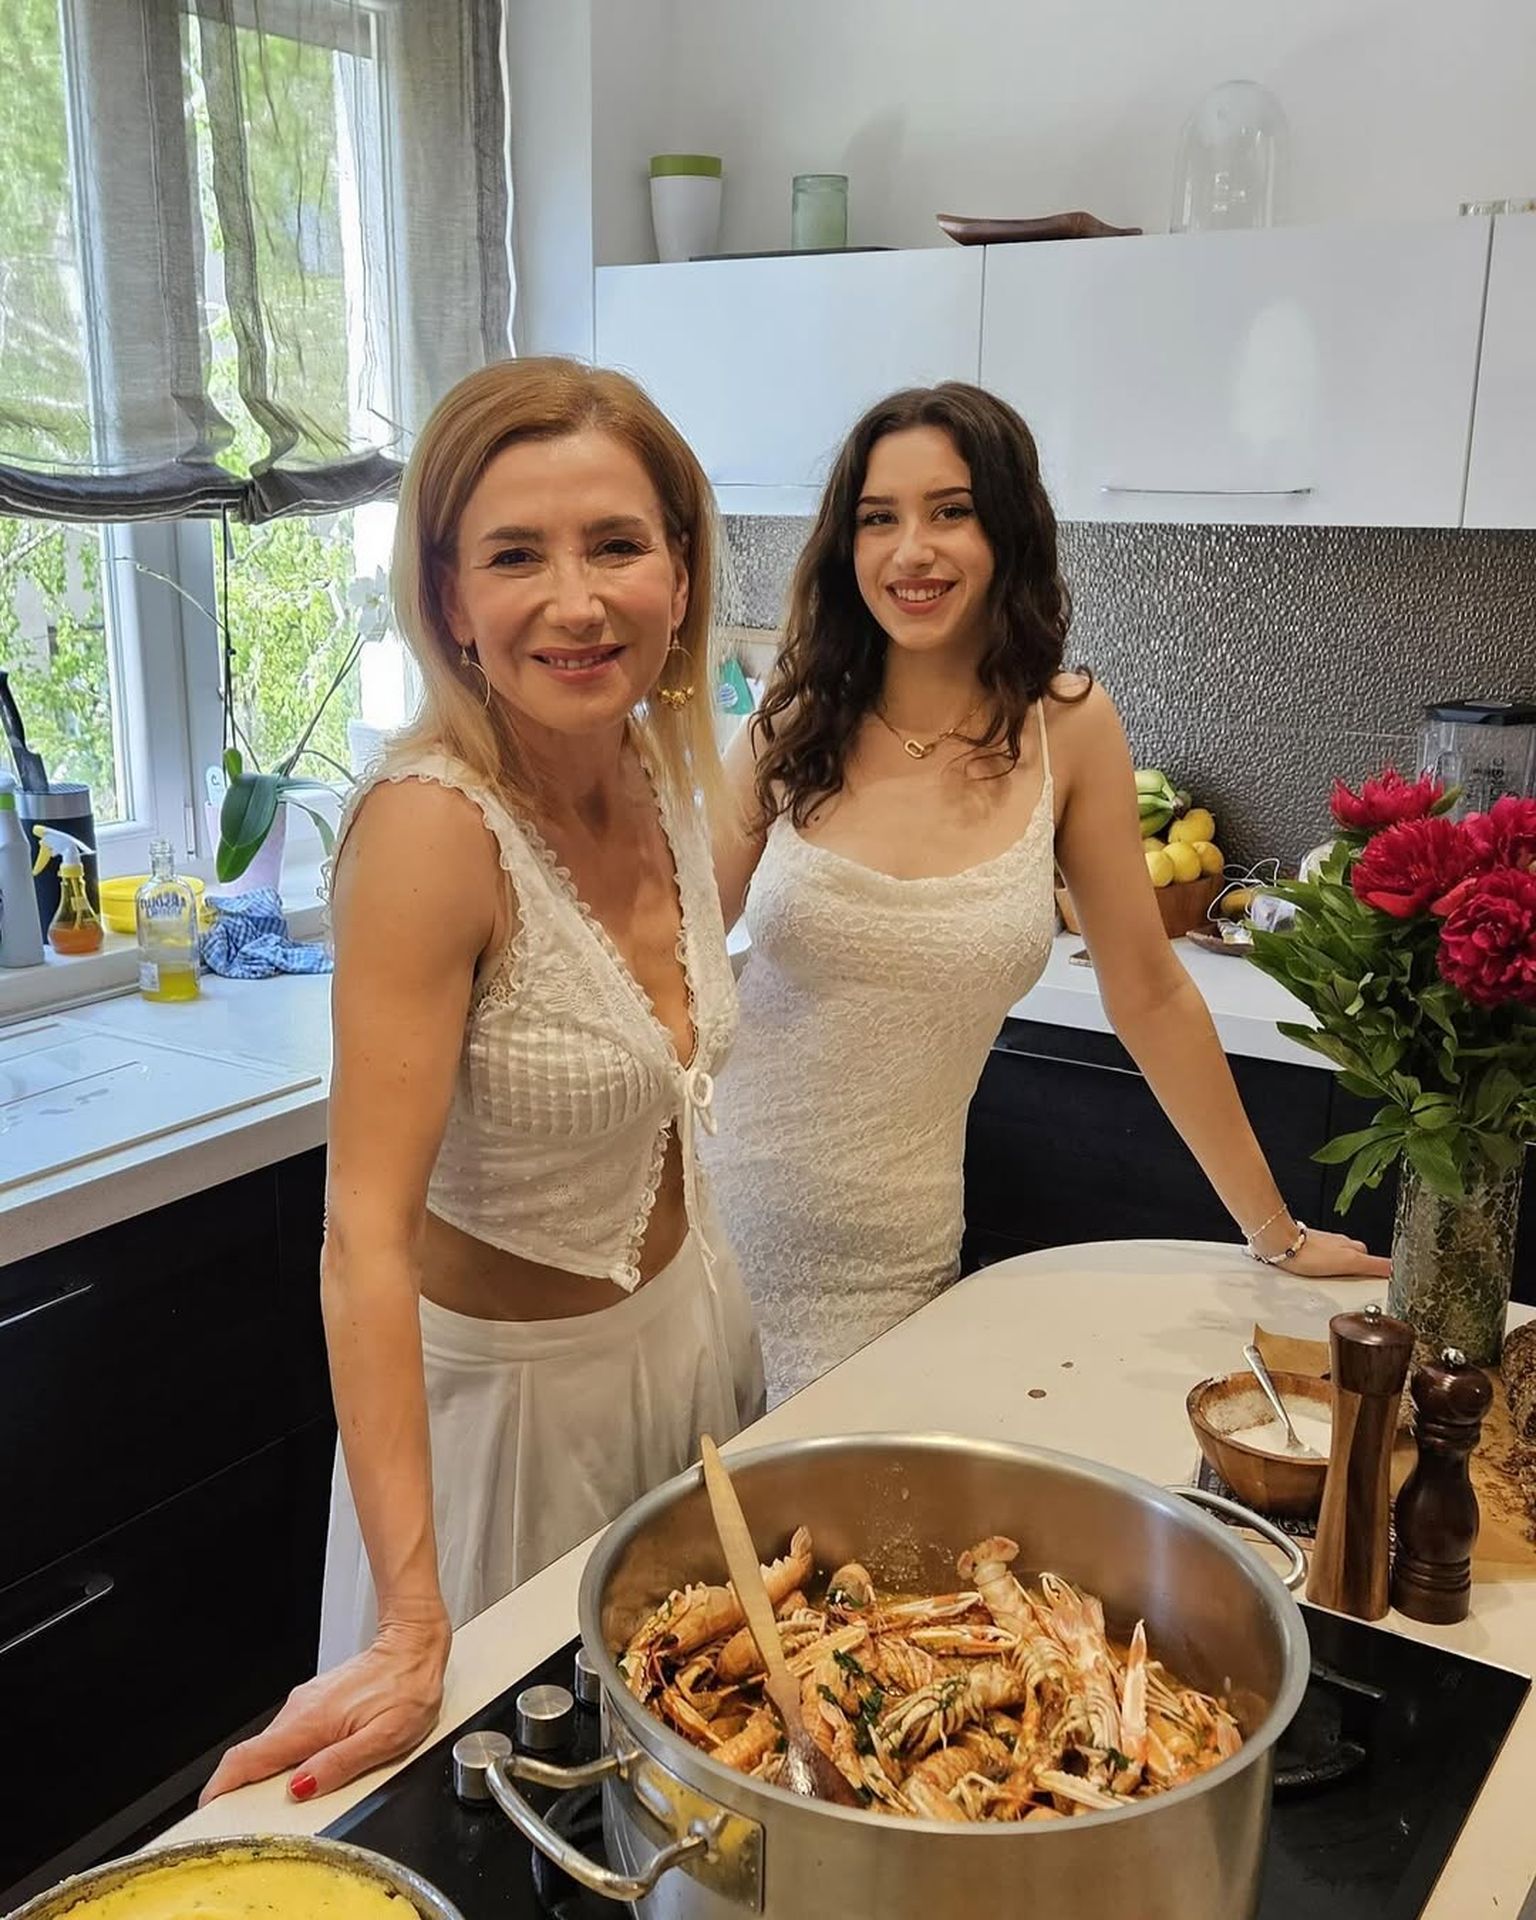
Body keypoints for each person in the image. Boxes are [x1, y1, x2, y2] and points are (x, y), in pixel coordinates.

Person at [202, 358, 763, 1805]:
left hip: (687, 1359)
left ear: (681, 573)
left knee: (675, 1801)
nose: (576, 602)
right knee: (509, 1826)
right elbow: (362, 1242)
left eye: (616, 545)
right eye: (517, 555)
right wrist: (409, 1621)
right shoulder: (431, 831)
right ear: (450, 598)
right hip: (508, 1433)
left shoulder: (660, 771)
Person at [706, 381, 1388, 1406]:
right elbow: (668, 956)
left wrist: (1275, 1233)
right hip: (715, 1224)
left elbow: (1150, 993)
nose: (911, 551)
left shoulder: (1065, 725)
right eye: (878, 518)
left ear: (1008, 529)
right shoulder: (792, 722)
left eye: (949, 510)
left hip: (895, 1258)